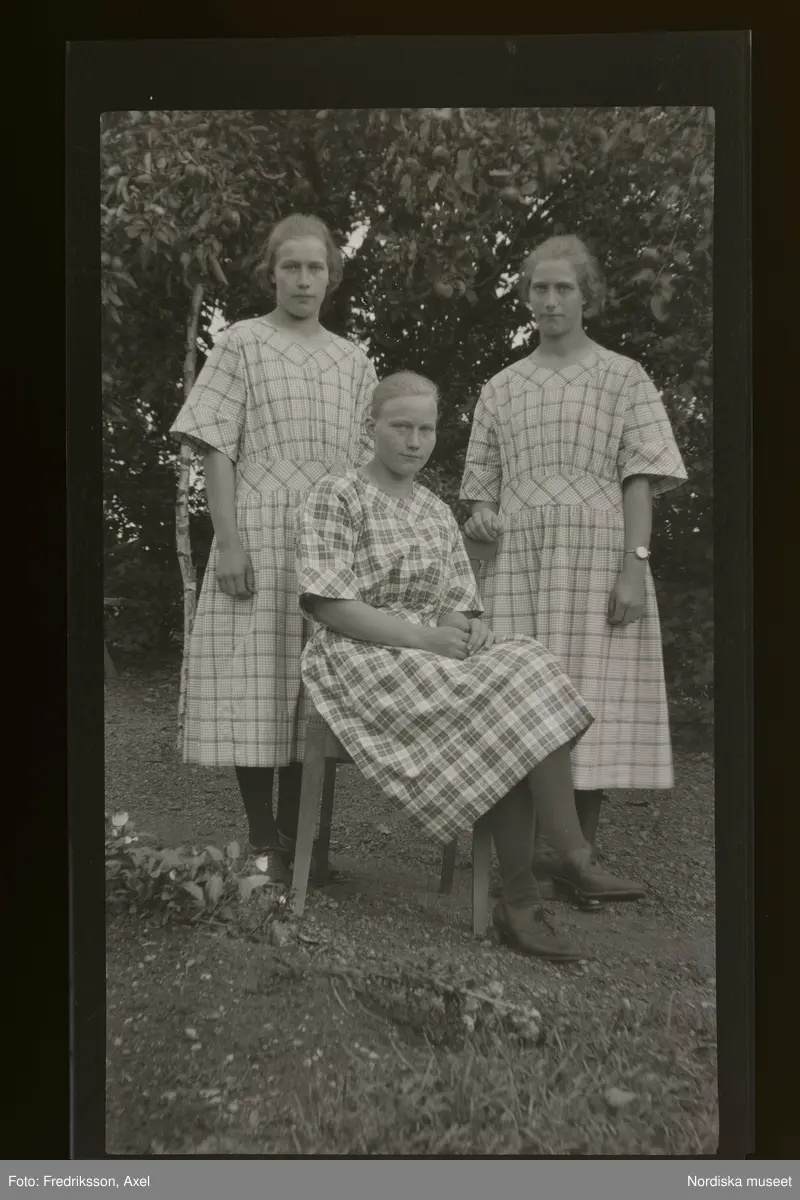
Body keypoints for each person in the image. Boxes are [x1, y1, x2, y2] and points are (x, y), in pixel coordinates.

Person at [296, 371, 639, 962]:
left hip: (428, 654)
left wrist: (467, 627)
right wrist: (426, 638)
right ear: (370, 427)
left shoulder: (434, 510)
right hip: (357, 657)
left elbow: (456, 603)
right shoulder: (337, 494)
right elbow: (330, 605)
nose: (415, 441)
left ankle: (556, 863)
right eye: (401, 427)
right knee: (501, 702)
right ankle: (541, 878)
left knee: (526, 659)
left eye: (426, 429)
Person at [461, 235, 687, 896]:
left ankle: (577, 860)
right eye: (541, 288)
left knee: (594, 697)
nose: (551, 300)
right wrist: (481, 515)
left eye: (564, 288)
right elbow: (480, 489)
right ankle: (528, 863)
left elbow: (639, 480)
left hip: (600, 556)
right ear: (527, 297)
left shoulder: (624, 376)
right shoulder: (501, 387)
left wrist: (633, 565)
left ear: (588, 296)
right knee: (521, 704)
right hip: (519, 564)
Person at [170, 213, 378, 877]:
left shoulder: (354, 361)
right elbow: (217, 447)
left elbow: (367, 465)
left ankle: (304, 842)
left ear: (331, 277)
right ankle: (265, 843)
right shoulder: (242, 343)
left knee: (317, 687)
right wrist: (228, 541)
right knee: (256, 683)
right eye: (291, 267)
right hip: (257, 531)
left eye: (316, 268)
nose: (303, 279)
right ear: (272, 273)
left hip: (329, 542)